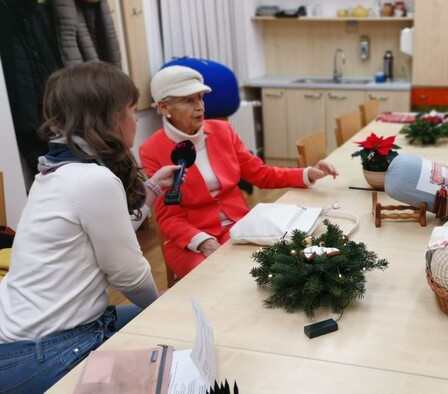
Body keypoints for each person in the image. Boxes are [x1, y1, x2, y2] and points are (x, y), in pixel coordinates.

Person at [0, 61, 179, 392]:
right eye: (130, 108)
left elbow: (110, 231)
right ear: (110, 118)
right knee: (174, 332)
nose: (136, 118)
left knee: (170, 320)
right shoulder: (92, 179)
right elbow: (129, 275)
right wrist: (161, 305)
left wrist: (152, 189)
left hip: (24, 339)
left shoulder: (54, 169)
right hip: (46, 351)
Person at [139, 65, 339, 278]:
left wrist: (307, 173)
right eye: (189, 101)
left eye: (200, 98)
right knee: (217, 279)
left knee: (276, 269)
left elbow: (261, 173)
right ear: (164, 107)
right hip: (191, 241)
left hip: (239, 227)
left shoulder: (222, 131)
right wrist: (202, 241)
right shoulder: (152, 150)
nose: (200, 107)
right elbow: (169, 218)